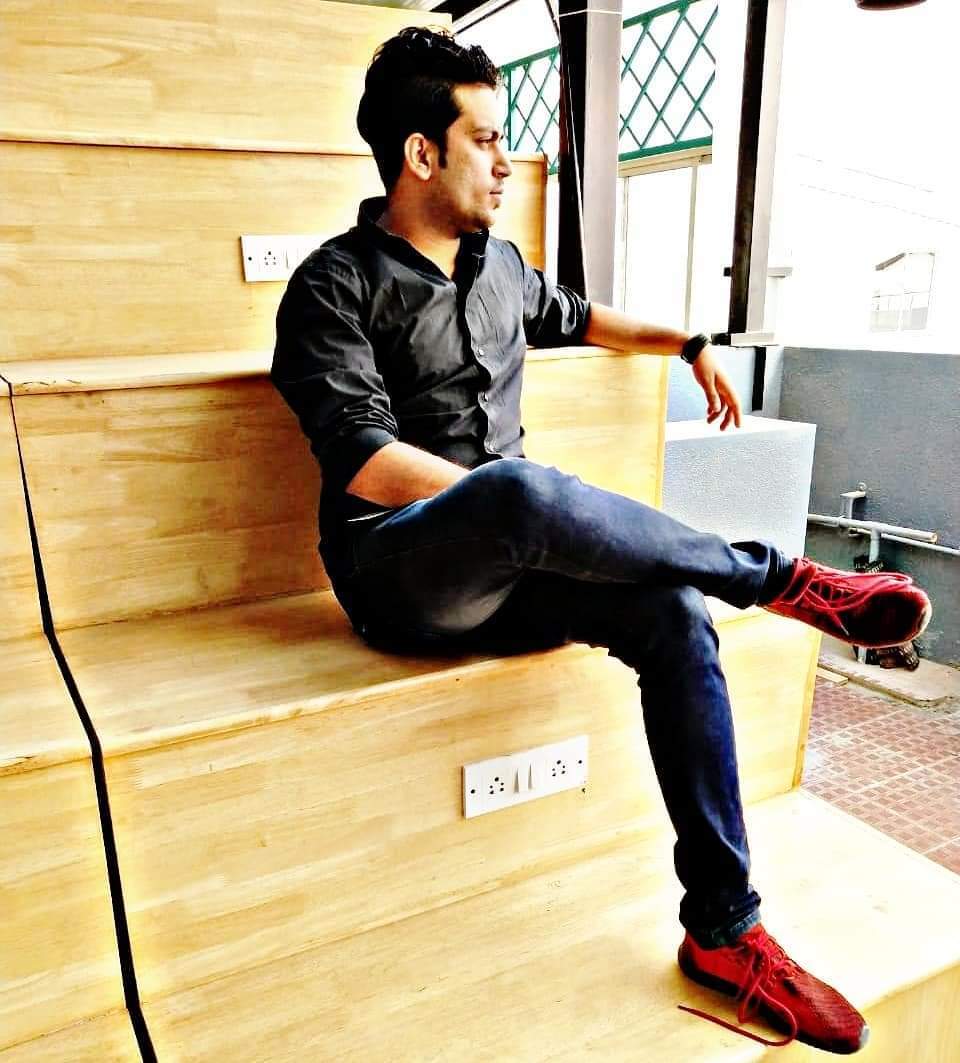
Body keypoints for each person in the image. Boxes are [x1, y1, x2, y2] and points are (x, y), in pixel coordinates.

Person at [271, 27, 931, 1054]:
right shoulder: (332, 285)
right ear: (421, 154)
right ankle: (781, 579)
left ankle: (724, 930)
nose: (507, 161)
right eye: (487, 139)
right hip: (400, 572)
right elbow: (360, 456)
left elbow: (583, 318)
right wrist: (512, 502)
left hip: (518, 559)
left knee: (671, 611)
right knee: (519, 490)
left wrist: (690, 343)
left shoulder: (499, 268)